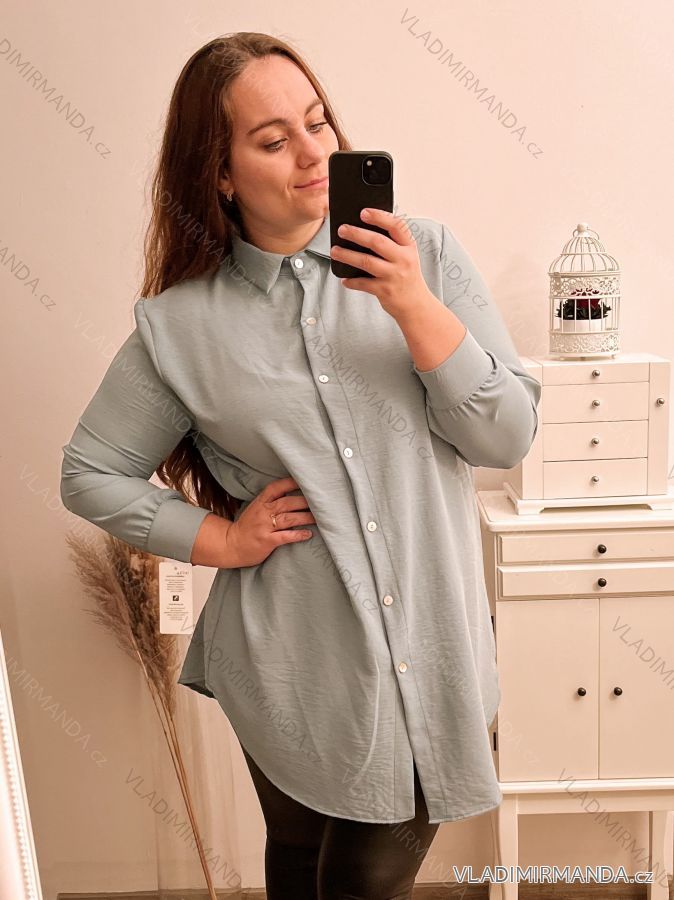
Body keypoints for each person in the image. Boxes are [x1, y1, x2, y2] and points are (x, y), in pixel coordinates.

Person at [60, 32, 541, 899]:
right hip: (289, 667)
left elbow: (505, 437)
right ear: (219, 172)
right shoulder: (181, 326)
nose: (315, 154)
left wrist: (412, 305)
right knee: (296, 870)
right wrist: (220, 540)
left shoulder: (426, 256)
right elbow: (89, 471)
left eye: (318, 124)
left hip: (427, 655)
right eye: (274, 140)